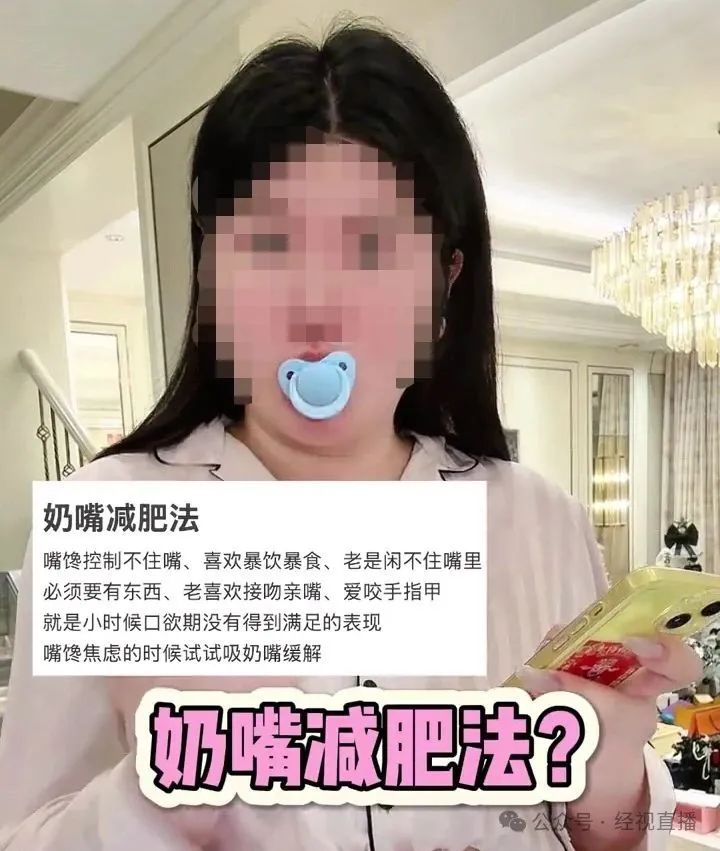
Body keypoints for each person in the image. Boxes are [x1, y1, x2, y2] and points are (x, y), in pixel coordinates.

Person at [0, 21, 697, 851]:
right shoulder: (110, 527)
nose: (316, 303)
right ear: (212, 272)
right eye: (269, 243)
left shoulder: (540, 521)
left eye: (371, 247)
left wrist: (611, 775)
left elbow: (601, 831)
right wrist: (165, 788)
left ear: (443, 284)